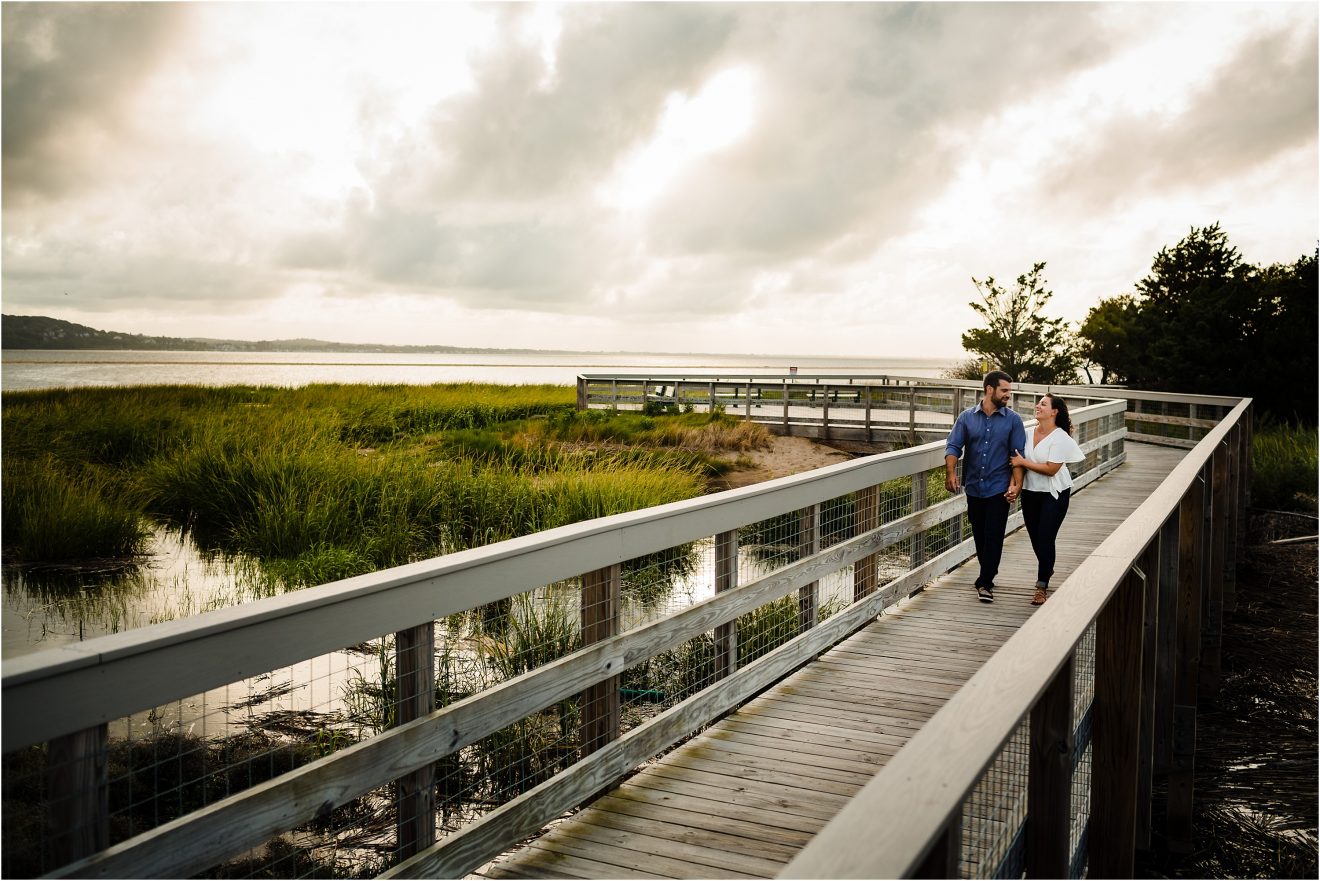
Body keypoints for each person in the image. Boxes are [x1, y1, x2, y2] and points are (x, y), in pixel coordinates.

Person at [944, 370, 1026, 603]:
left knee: (993, 535)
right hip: (974, 487)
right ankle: (986, 574)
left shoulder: (1013, 420)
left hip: (999, 488)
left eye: (1009, 391)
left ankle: (985, 581)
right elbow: (953, 447)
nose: (1008, 395)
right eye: (1004, 390)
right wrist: (950, 472)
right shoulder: (967, 417)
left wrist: (1016, 484)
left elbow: (1017, 456)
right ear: (989, 389)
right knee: (980, 534)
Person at [1010, 394, 1086, 605]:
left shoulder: (1060, 437)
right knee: (1036, 538)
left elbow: (1052, 469)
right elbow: (1014, 461)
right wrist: (1014, 485)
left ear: (1054, 412)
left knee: (1045, 537)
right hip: (1030, 492)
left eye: (1043, 404)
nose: (1038, 406)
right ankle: (1048, 565)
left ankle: (1041, 586)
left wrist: (1023, 461)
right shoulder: (1025, 433)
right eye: (1038, 403)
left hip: (1055, 493)